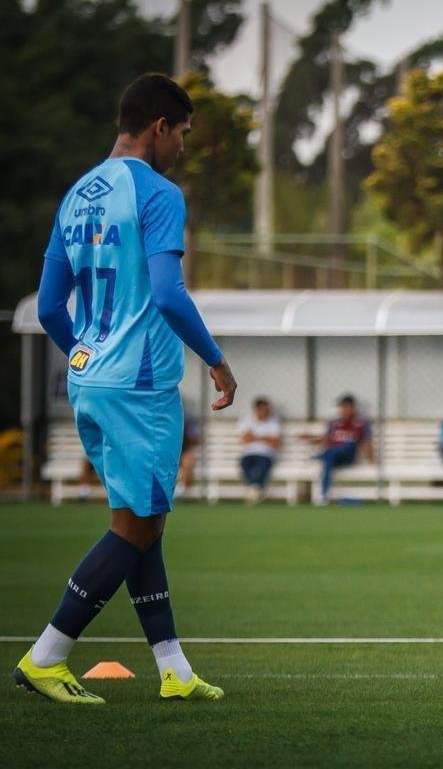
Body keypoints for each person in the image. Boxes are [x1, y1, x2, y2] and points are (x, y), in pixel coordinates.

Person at [14, 73, 236, 704]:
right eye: (184, 133)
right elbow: (169, 293)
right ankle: (46, 657)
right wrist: (216, 361)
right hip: (139, 385)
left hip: (92, 381)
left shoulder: (76, 195)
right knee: (137, 526)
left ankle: (174, 669)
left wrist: (87, 354)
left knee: (142, 521)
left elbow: (52, 307)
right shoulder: (159, 193)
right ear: (160, 126)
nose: (185, 147)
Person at [312, 394, 374, 506]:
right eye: (341, 407)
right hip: (334, 457)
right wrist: (308, 438)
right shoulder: (333, 423)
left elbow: (366, 442)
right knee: (329, 458)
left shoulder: (361, 424)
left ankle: (320, 456)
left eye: (346, 407)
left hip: (348, 456)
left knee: (348, 444)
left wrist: (371, 459)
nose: (343, 410)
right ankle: (323, 496)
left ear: (353, 408)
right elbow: (325, 439)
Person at [238, 396, 281, 505]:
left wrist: (254, 437)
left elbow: (276, 442)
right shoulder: (246, 420)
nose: (266, 411)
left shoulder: (273, 422)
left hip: (266, 454)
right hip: (248, 453)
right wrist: (265, 438)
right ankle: (257, 489)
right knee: (244, 464)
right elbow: (244, 439)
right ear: (257, 409)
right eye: (264, 408)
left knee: (263, 466)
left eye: (268, 409)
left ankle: (253, 490)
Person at [176, 412, 201, 496]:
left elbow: (196, 439)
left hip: (183, 450)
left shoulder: (187, 419)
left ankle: (180, 490)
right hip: (167, 451)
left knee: (189, 460)